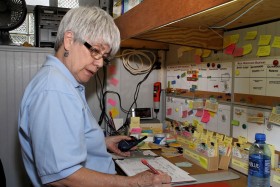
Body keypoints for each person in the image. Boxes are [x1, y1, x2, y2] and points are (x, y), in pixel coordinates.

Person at [18, 6, 171, 187]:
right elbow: (63, 176)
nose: (99, 63)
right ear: (69, 40)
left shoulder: (63, 82)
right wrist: (134, 183)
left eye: (104, 57)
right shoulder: (55, 90)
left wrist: (102, 143)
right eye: (95, 51)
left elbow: (65, 140)